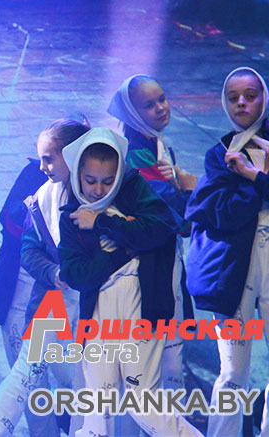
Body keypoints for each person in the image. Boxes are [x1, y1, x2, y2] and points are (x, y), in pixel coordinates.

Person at [58, 127, 200, 437]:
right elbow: (76, 274)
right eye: (90, 181)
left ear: (120, 175)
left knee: (143, 403)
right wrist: (123, 249)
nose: (98, 190)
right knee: (98, 408)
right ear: (77, 174)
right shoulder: (70, 213)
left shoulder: (135, 189)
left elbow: (163, 229)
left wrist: (103, 222)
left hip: (143, 307)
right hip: (98, 314)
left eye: (108, 181)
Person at [0, 117, 90, 437]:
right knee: (25, 375)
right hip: (47, 301)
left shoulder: (107, 190)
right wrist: (53, 271)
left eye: (48, 159)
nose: (41, 167)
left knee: (83, 386)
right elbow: (27, 247)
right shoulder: (41, 196)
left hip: (93, 308)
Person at [185, 66, 269, 436]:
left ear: (264, 98)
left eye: (250, 95)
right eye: (234, 97)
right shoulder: (219, 155)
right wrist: (257, 186)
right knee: (233, 372)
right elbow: (221, 212)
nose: (242, 103)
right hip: (235, 271)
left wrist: (252, 175)